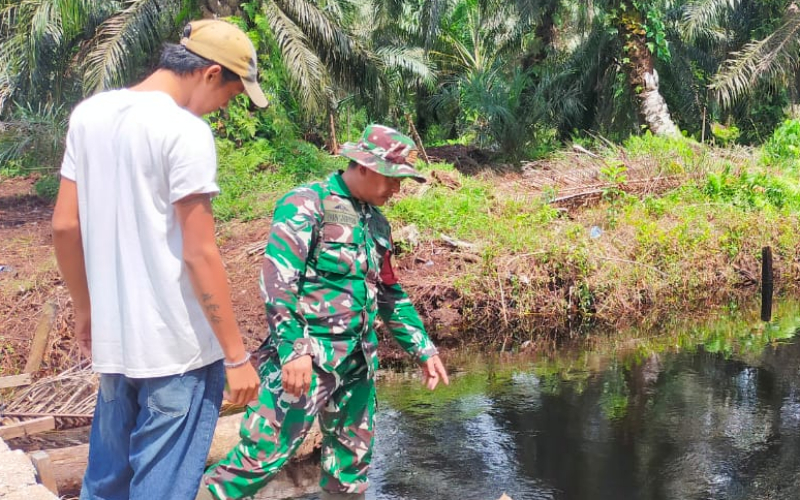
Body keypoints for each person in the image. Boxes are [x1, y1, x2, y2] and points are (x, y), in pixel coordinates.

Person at [51, 19, 266, 500]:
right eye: (230, 96)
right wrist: (236, 356)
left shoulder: (90, 115)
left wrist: (86, 310)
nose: (222, 109)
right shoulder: (184, 131)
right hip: (178, 353)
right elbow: (199, 251)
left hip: (117, 348)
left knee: (106, 484)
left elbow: (65, 226)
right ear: (211, 74)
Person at [197, 124, 450, 500]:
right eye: (392, 177)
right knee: (259, 459)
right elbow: (278, 282)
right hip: (308, 362)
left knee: (350, 469)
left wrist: (423, 349)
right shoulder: (307, 203)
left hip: (357, 364)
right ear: (364, 165)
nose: (397, 188)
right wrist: (294, 350)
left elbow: (389, 293)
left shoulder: (377, 222)